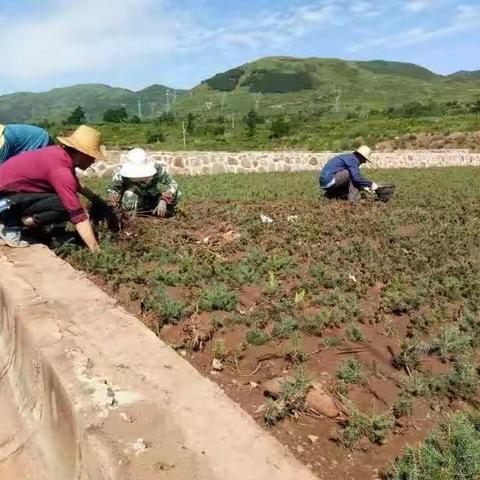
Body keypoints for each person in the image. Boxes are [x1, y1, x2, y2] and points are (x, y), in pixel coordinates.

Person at [0, 125, 104, 251]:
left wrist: (95, 199)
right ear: (81, 154)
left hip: (8, 195)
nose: (93, 161)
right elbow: (78, 216)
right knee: (65, 204)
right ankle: (12, 225)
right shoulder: (61, 170)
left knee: (62, 198)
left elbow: (75, 185)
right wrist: (96, 250)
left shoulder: (58, 154)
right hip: (5, 199)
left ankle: (15, 220)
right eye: (92, 156)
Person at [107, 148, 181, 217]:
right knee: (130, 194)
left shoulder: (156, 168)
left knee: (176, 194)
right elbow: (113, 192)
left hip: (152, 198)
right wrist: (114, 211)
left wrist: (164, 199)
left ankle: (161, 214)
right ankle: (130, 219)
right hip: (132, 202)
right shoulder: (120, 173)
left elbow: (172, 184)